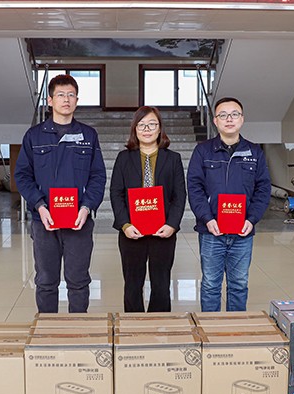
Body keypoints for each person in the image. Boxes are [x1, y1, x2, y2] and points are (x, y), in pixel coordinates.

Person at [14, 74, 106, 313]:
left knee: (79, 281)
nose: (66, 99)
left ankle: (78, 328)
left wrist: (86, 207)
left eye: (71, 95)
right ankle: (48, 329)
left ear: (77, 100)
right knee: (46, 281)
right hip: (44, 221)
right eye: (61, 95)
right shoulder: (34, 136)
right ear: (50, 100)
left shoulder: (88, 135)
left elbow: (98, 176)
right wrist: (39, 205)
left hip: (78, 221)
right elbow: (22, 176)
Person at [186, 97, 271, 312]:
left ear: (242, 119)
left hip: (243, 231)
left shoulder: (254, 152)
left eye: (234, 114)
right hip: (211, 230)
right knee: (210, 284)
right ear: (215, 121)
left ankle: (235, 326)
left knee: (239, 285)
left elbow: (263, 189)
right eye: (223, 115)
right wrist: (207, 219)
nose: (229, 119)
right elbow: (195, 188)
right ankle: (210, 327)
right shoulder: (203, 151)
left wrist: (252, 220)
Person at [110, 106, 187, 312]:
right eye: (141, 125)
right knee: (132, 285)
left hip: (163, 231)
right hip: (131, 231)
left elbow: (179, 196)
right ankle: (133, 326)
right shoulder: (124, 158)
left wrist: (172, 225)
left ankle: (159, 326)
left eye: (152, 124)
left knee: (161, 285)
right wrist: (125, 225)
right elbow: (116, 194)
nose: (147, 129)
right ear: (134, 129)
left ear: (159, 128)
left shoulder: (173, 159)